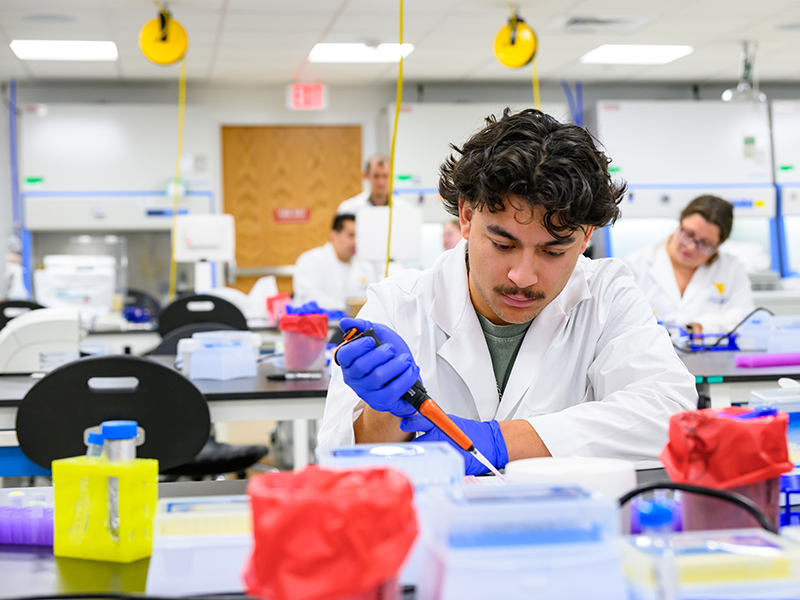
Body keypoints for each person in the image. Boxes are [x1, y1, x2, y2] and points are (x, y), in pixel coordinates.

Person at [319, 108, 697, 474]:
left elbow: (670, 415)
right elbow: (337, 459)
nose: (523, 276)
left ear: (586, 237)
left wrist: (500, 441)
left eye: (553, 251)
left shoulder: (606, 294)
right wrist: (385, 410)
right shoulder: (397, 306)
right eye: (503, 244)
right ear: (466, 216)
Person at [624, 195, 754, 335]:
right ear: (679, 225)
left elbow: (744, 318)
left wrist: (700, 327)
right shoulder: (636, 265)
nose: (691, 247)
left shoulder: (731, 269)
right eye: (688, 234)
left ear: (717, 246)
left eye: (705, 243)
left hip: (709, 355)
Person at [292, 214, 376, 312]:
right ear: (334, 235)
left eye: (358, 236)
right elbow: (308, 299)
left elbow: (372, 300)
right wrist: (345, 308)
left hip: (354, 325)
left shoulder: (365, 266)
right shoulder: (309, 260)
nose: (355, 242)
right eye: (351, 235)